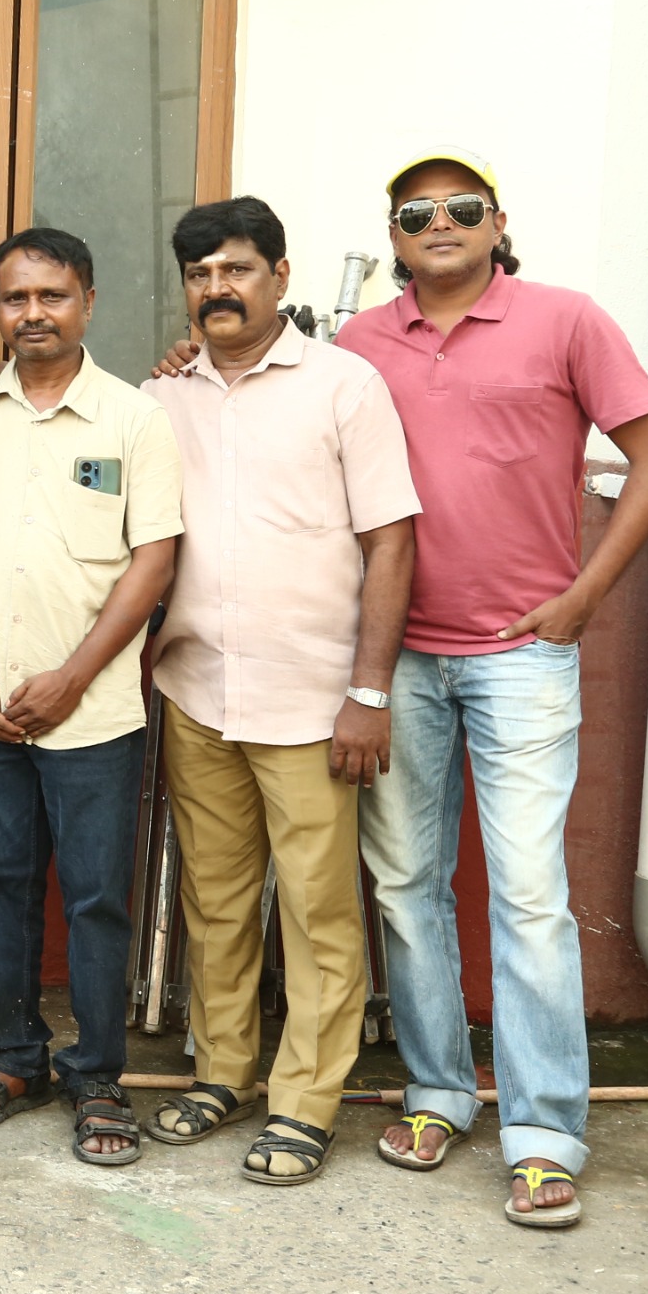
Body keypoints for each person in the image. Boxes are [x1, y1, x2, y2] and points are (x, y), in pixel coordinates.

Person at [343, 150, 648, 1226]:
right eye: (415, 213)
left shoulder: (565, 320)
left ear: (496, 222)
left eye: (460, 207)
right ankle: (439, 1092)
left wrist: (586, 594)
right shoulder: (359, 345)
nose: (437, 223)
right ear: (394, 239)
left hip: (520, 655)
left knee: (530, 895)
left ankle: (542, 1132)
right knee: (406, 882)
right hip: (397, 657)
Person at [141, 195, 420, 1187]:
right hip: (197, 689)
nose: (218, 288)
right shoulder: (161, 397)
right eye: (200, 274)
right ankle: (222, 1073)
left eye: (237, 269)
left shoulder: (345, 386)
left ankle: (304, 1101)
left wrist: (369, 693)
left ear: (280, 276)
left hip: (312, 701)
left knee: (316, 911)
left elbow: (392, 542)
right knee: (216, 903)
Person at [0, 227, 180, 1165]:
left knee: (97, 897)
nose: (33, 314)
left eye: (53, 296)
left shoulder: (135, 420)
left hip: (94, 711)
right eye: (16, 297)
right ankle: (12, 1061)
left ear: (89, 302)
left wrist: (74, 676)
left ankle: (98, 1075)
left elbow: (154, 560)